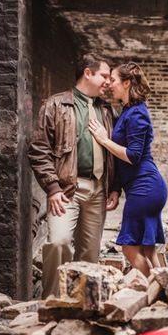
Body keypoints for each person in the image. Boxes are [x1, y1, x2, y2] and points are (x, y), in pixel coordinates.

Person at [28, 54, 120, 298]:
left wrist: (115, 188)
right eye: (104, 76)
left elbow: (114, 152)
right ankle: (51, 303)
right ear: (87, 73)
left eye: (111, 78)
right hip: (67, 189)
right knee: (58, 243)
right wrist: (53, 188)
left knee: (89, 254)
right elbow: (38, 149)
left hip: (99, 189)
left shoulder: (108, 110)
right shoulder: (55, 105)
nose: (108, 82)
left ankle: (80, 307)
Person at [88, 62, 168, 277]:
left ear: (126, 82)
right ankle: (165, 290)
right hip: (143, 187)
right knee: (147, 250)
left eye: (113, 80)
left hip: (145, 188)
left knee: (129, 248)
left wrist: (104, 140)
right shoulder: (129, 110)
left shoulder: (137, 114)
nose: (109, 84)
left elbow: (133, 156)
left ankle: (150, 294)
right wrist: (116, 188)